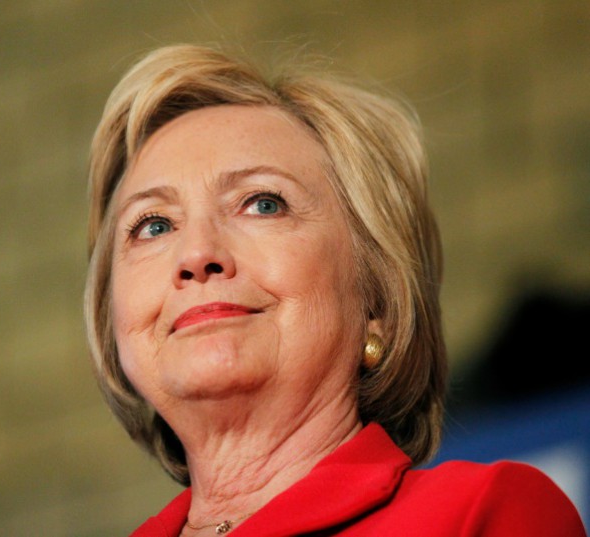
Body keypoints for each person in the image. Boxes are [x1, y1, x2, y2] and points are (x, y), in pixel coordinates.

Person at [83, 44, 586, 536]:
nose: (195, 254)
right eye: (152, 226)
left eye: (262, 203)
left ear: (376, 299)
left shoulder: (483, 513)